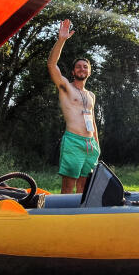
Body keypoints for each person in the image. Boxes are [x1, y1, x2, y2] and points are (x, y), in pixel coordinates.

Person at [47, 19, 100, 193]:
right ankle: (65, 219)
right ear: (73, 72)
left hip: (90, 145)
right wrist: (61, 40)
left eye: (85, 67)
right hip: (73, 142)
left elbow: (92, 121)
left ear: (89, 72)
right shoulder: (66, 88)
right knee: (68, 188)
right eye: (78, 67)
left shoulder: (91, 95)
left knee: (84, 187)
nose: (82, 69)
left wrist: (97, 145)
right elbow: (52, 65)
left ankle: (80, 219)